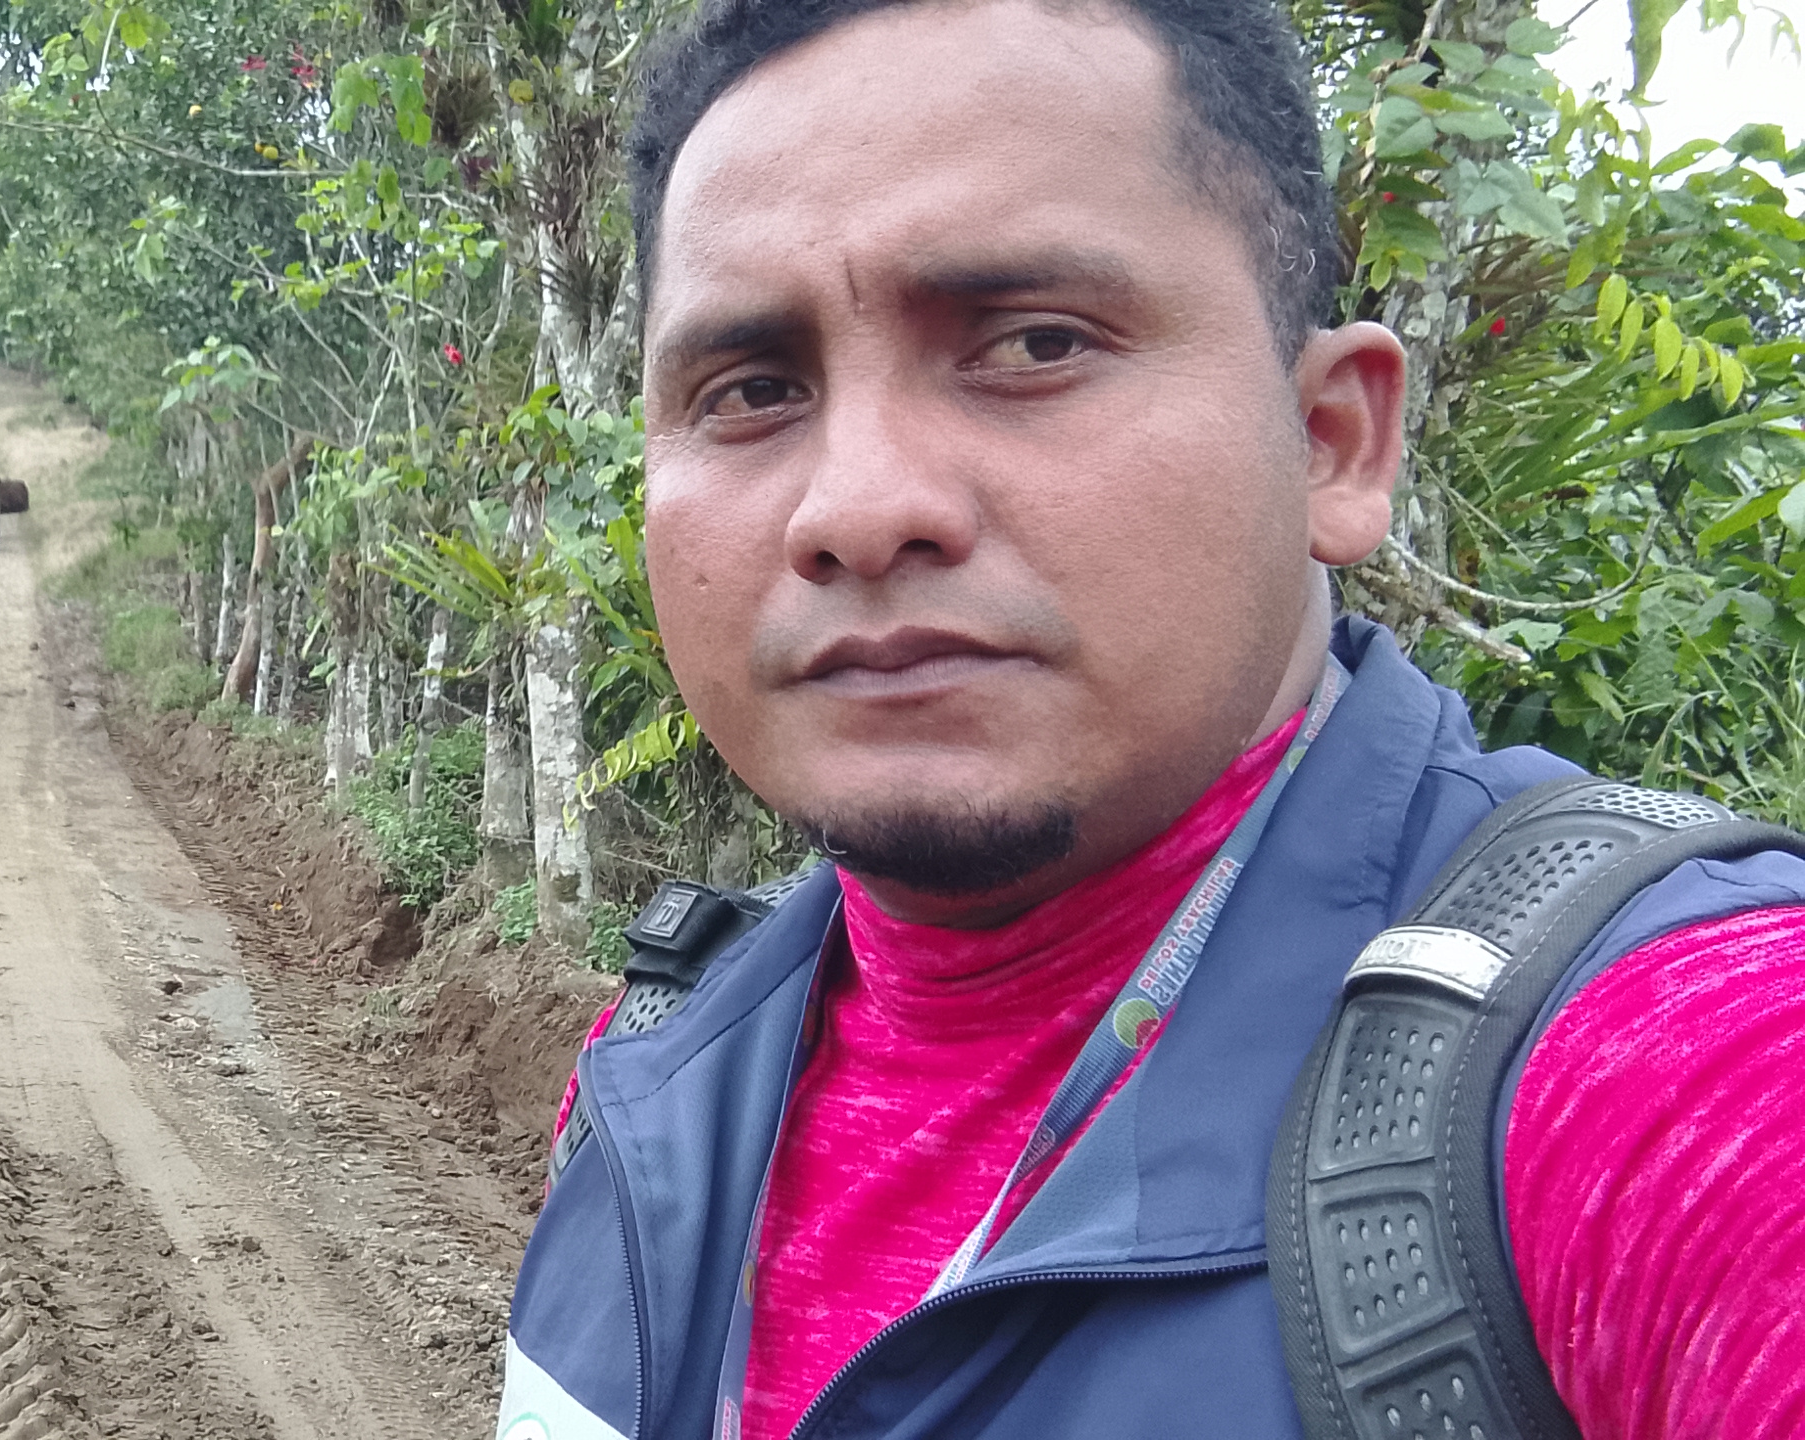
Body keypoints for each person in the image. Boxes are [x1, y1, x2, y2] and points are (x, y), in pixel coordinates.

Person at [495, 1, 1805, 1437]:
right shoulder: (655, 1069)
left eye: (1034, 343)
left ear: (1332, 442)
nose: (857, 509)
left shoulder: (1667, 1071)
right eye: (752, 390)